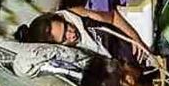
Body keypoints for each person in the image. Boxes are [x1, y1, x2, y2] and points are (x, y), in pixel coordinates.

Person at [14, 7, 156, 67]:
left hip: (132, 40)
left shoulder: (78, 16)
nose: (71, 35)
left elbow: (113, 17)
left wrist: (135, 39)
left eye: (67, 27)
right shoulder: (72, 56)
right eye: (64, 38)